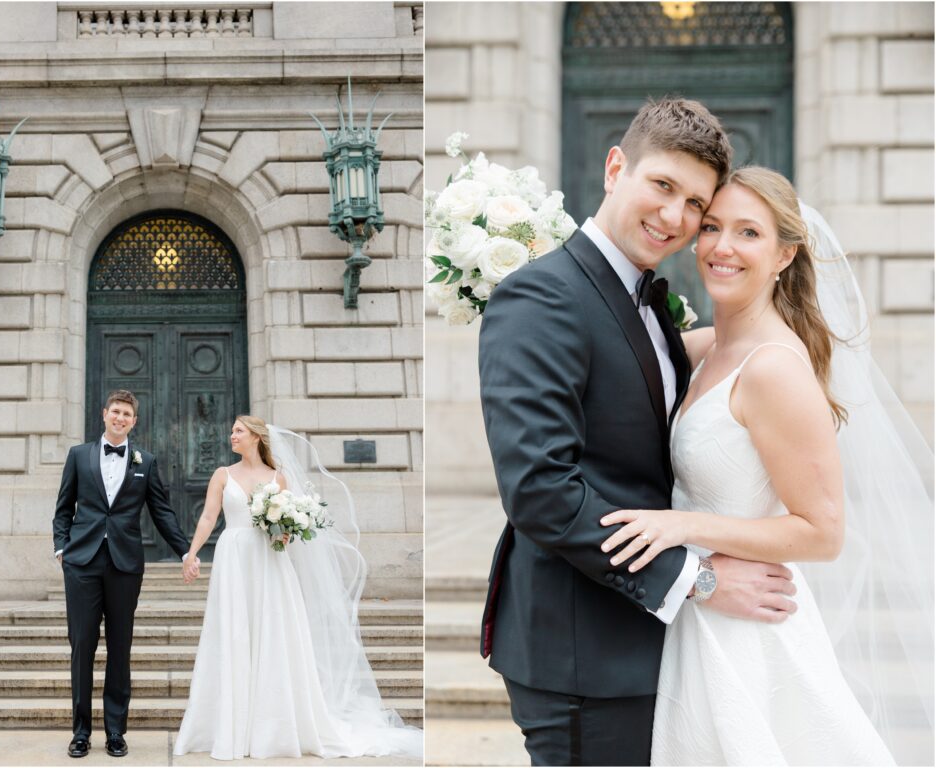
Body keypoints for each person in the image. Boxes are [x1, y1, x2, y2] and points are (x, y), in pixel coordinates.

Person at [477, 98, 799, 767]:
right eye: (662, 186)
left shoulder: (643, 299)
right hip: (580, 655)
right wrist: (699, 581)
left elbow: (665, 377)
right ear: (615, 166)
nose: (675, 217)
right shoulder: (542, 297)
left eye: (695, 204)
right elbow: (541, 490)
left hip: (643, 644)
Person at [601, 167, 933, 765]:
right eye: (711, 228)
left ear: (785, 255)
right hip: (696, 611)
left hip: (749, 631)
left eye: (748, 232)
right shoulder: (701, 349)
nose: (722, 247)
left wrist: (681, 528)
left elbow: (822, 532)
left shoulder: (775, 367)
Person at [173, 415, 422, 760]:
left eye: (238, 431)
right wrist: (192, 553)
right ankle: (231, 725)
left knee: (273, 633)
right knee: (234, 634)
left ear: (257, 438)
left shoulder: (279, 479)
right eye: (232, 431)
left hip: (270, 561)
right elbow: (208, 517)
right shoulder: (222, 475)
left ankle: (273, 726)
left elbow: (284, 531)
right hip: (233, 559)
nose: (231, 436)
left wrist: (284, 533)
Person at [52, 389, 197, 759]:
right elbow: (63, 507)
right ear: (104, 414)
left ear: (134, 421)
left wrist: (185, 550)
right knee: (82, 646)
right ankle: (81, 732)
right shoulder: (78, 455)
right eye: (115, 411)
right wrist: (61, 547)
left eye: (126, 415)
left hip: (125, 567)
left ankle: (116, 731)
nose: (120, 418)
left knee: (120, 648)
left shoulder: (145, 461)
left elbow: (162, 512)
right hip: (82, 563)